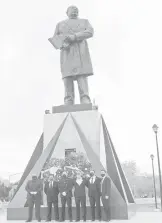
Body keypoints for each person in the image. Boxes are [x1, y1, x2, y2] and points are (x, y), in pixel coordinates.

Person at [49, 5, 94, 105]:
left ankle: (85, 98)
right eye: (72, 9)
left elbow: (90, 32)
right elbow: (55, 39)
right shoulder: (60, 24)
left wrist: (74, 36)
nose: (74, 11)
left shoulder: (84, 22)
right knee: (67, 78)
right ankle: (68, 100)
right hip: (67, 53)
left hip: (81, 52)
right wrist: (62, 44)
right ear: (67, 12)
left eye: (76, 10)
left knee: (81, 76)